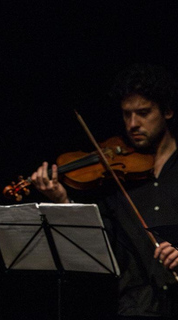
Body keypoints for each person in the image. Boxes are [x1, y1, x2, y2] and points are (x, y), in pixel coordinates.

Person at [30, 64, 178, 319]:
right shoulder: (114, 177)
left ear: (167, 111)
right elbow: (99, 241)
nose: (133, 124)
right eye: (126, 114)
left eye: (143, 113)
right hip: (136, 307)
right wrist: (63, 200)